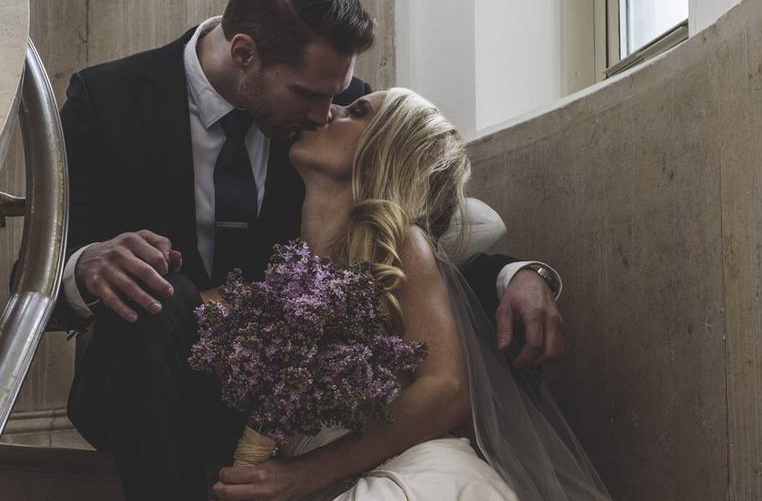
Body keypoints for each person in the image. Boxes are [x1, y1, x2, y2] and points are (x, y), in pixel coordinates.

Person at [58, 0, 566, 500]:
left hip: (293, 424)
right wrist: (85, 264)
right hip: (148, 382)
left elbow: (407, 239)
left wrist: (518, 273)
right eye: (309, 95)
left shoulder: (334, 114)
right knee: (158, 299)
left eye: (343, 98)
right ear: (244, 53)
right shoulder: (105, 99)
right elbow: (43, 273)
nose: (327, 111)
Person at [211, 88, 610, 501]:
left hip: (412, 477)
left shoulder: (397, 244)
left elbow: (447, 388)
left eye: (356, 111)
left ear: (384, 148)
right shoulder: (287, 266)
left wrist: (307, 473)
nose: (329, 110)